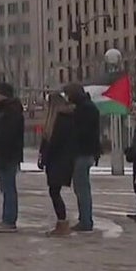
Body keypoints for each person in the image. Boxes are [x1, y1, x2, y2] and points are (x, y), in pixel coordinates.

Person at [0, 82, 26, 233]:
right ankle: (7, 219)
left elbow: (6, 135)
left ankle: (9, 220)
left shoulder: (10, 112)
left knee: (9, 188)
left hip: (7, 155)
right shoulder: (4, 111)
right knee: (6, 188)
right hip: (2, 155)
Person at [63, 83, 101, 233]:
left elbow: (81, 132)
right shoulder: (86, 107)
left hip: (83, 152)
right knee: (81, 188)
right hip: (85, 152)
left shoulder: (84, 109)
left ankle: (85, 220)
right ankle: (84, 219)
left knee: (82, 188)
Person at [39, 92, 77, 237]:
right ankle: (62, 223)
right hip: (58, 160)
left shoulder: (61, 120)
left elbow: (55, 142)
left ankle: (63, 224)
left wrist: (45, 156)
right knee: (54, 191)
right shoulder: (62, 118)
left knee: (54, 191)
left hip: (59, 160)